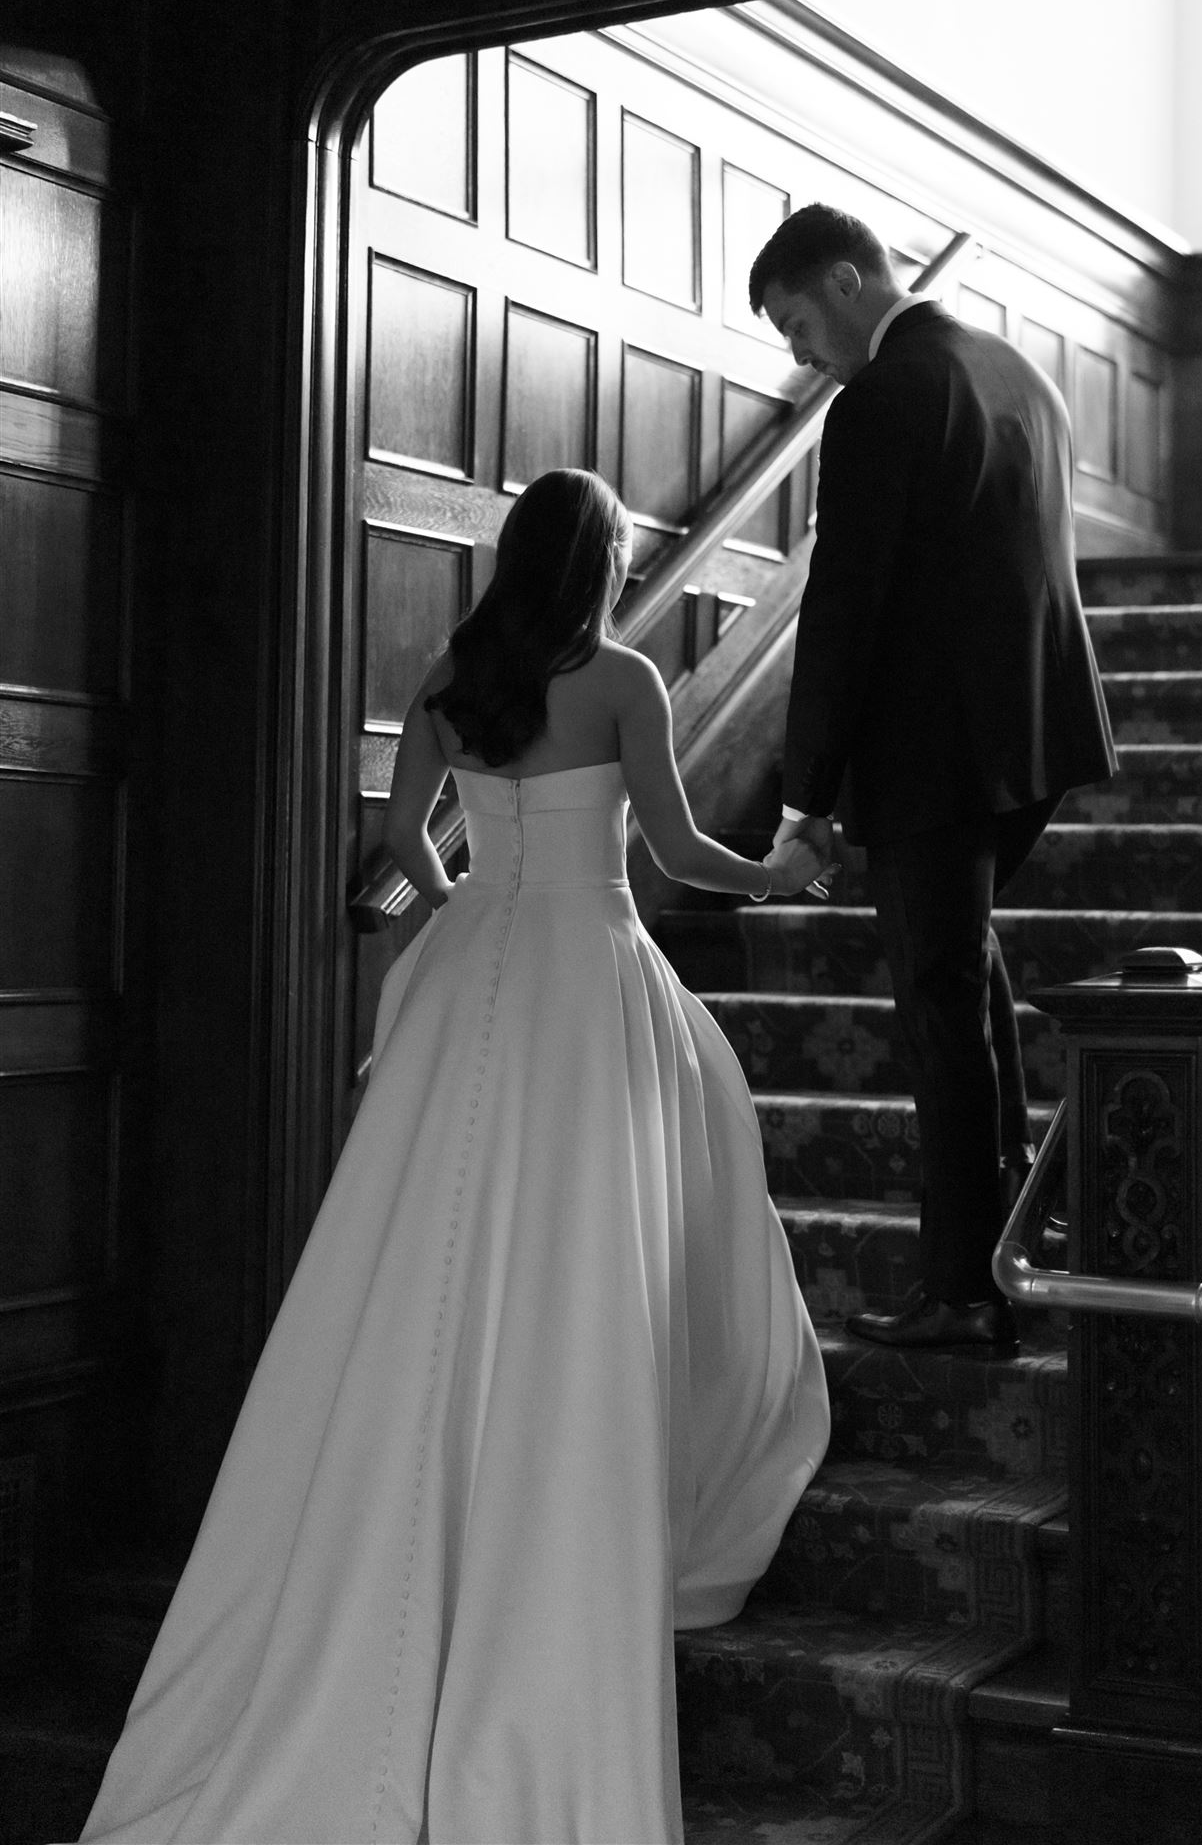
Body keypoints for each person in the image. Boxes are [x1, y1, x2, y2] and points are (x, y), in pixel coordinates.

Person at [76, 467, 831, 1845]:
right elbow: (672, 849)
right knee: (578, 1252)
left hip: (476, 962)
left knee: (428, 1253)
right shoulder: (620, 682)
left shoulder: (450, 674)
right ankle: (553, 1488)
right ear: (599, 563)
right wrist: (777, 876)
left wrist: (464, 901)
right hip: (584, 976)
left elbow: (400, 846)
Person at [748, 205, 1116, 1352]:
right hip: (1030, 733)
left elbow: (844, 604)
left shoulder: (884, 397)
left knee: (938, 1005)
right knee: (968, 978)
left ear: (850, 281)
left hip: (936, 750)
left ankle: (966, 1288)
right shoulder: (1019, 373)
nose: (802, 356)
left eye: (800, 324)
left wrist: (805, 795)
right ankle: (1011, 1243)